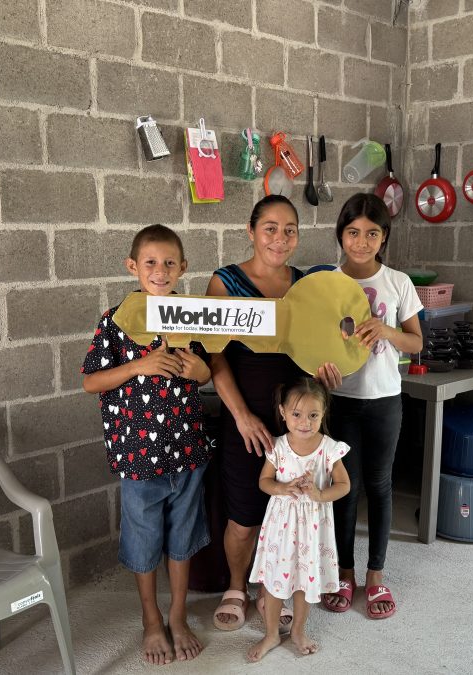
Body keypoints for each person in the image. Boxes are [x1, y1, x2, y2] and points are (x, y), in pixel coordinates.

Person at [206, 195, 341, 631]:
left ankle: (275, 587)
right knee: (245, 516)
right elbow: (215, 357)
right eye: (270, 228)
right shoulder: (225, 282)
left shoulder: (306, 285)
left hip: (297, 426)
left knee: (291, 513)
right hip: (246, 418)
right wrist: (242, 416)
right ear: (251, 231)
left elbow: (317, 348)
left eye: (289, 230)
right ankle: (236, 586)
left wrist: (324, 374)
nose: (280, 239)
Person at [81, 224, 212, 665]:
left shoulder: (191, 316)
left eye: (169, 263)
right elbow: (91, 381)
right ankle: (151, 618)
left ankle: (178, 615)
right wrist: (140, 365)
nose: (160, 271)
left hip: (187, 449)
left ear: (183, 268)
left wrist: (198, 372)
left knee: (182, 536)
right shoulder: (117, 320)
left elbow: (208, 370)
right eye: (151, 262)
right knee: (143, 539)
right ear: (133, 267)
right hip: (139, 457)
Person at [321, 193, 423, 620]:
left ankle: (376, 575)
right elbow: (312, 341)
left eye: (372, 234)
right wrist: (318, 371)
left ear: (384, 237)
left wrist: (387, 331)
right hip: (341, 401)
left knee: (379, 485)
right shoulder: (326, 281)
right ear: (340, 235)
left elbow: (415, 343)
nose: (361, 242)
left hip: (384, 401)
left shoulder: (398, 282)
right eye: (353, 232)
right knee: (345, 487)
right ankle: (344, 573)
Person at [247, 378, 350, 662]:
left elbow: (344, 485)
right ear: (282, 412)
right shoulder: (278, 447)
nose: (305, 422)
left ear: (323, 412)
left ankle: (298, 631)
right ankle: (271, 633)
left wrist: (320, 494)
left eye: (313, 415)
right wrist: (281, 488)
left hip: (313, 529)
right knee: (274, 581)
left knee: (305, 580)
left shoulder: (329, 449)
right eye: (296, 414)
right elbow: (264, 481)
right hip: (281, 527)